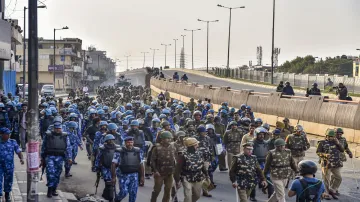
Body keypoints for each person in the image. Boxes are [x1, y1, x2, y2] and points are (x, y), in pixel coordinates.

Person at [41, 123, 72, 198]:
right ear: (54, 129)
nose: (58, 130)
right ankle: (49, 190)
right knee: (50, 173)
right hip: (50, 157)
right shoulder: (48, 136)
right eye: (56, 128)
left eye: (59, 128)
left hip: (60, 157)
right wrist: (42, 157)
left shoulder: (65, 136)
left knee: (57, 174)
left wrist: (70, 157)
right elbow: (43, 146)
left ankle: (54, 189)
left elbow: (68, 147)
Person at [174, 137, 210, 202]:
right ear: (191, 146)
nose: (197, 146)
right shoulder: (182, 155)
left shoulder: (199, 153)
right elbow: (177, 169)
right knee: (188, 197)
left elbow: (202, 165)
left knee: (197, 196)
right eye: (196, 145)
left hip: (198, 178)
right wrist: (177, 181)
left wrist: (207, 175)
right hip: (186, 178)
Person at [316, 129, 344, 199]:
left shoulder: (336, 142)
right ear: (326, 136)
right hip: (326, 164)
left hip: (335, 164)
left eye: (332, 136)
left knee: (338, 178)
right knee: (326, 179)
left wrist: (338, 143)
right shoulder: (322, 142)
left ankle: (332, 189)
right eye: (329, 136)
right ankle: (325, 193)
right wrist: (325, 155)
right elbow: (318, 152)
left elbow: (342, 150)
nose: (330, 138)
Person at [150, 131, 176, 202]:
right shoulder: (156, 148)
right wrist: (155, 171)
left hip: (169, 173)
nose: (169, 140)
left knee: (168, 190)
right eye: (168, 138)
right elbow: (152, 161)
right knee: (157, 190)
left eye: (170, 138)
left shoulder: (173, 147)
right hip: (159, 173)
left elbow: (175, 159)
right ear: (163, 139)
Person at [0, 127, 24, 202]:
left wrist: (21, 158)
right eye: (7, 134)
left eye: (9, 134)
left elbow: (18, 151)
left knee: (8, 180)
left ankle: (7, 195)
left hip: (9, 165)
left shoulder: (12, 142)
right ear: (1, 135)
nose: (8, 135)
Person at [96, 134, 120, 201]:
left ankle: (107, 195)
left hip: (114, 168)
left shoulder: (117, 148)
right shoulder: (102, 148)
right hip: (105, 167)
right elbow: (98, 158)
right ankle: (109, 197)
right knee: (108, 183)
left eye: (112, 139)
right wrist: (97, 167)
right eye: (109, 140)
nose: (111, 141)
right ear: (106, 140)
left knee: (113, 183)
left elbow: (120, 158)